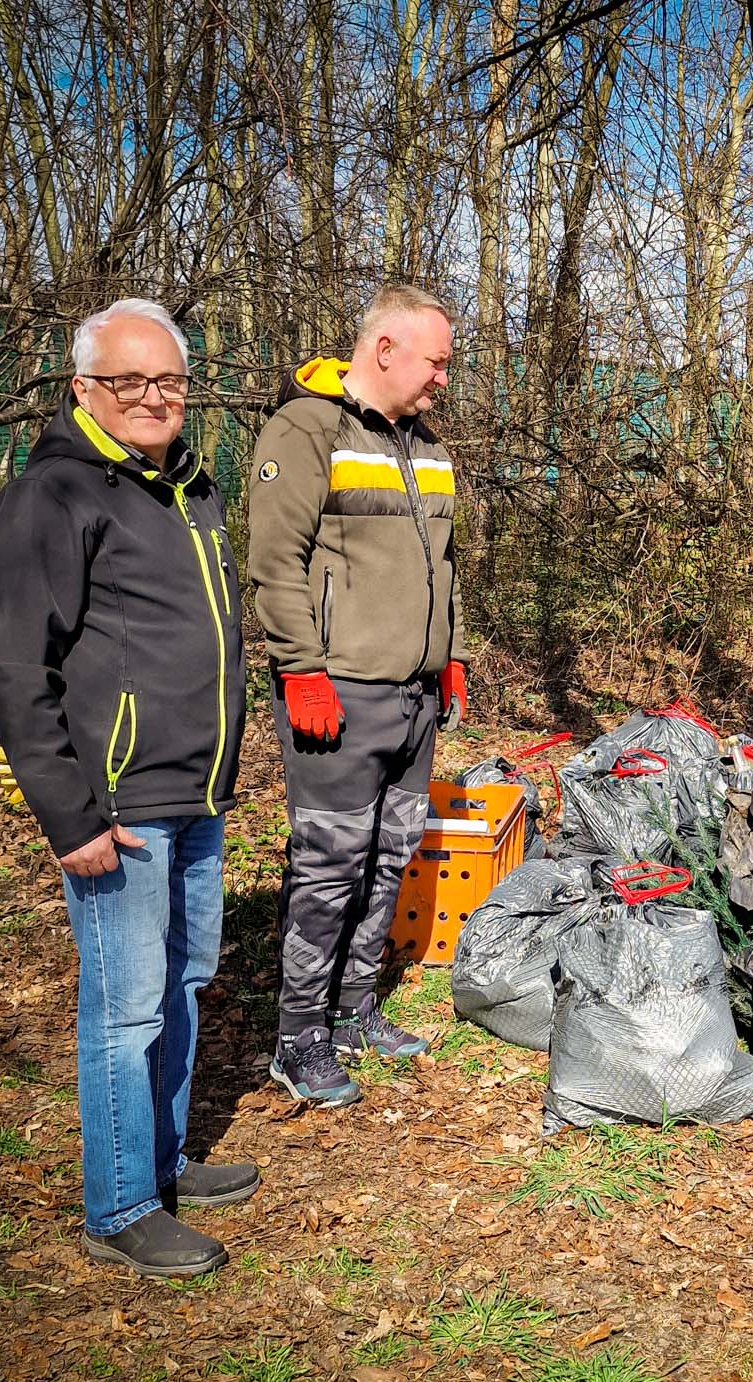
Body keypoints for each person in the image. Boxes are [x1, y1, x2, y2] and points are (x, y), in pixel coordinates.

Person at [0, 298, 255, 1278]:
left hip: (196, 793)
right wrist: (68, 817)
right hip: (118, 810)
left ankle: (164, 1161)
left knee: (181, 985)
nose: (152, 399)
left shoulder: (191, 488)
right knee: (125, 1008)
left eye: (169, 382)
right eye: (130, 382)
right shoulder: (56, 495)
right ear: (84, 388)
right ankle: (121, 1203)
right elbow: (14, 664)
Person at [248, 284, 468, 1106]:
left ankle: (350, 1010)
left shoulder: (429, 446)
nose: (443, 379)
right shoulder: (306, 430)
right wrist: (301, 668)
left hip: (415, 695)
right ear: (384, 351)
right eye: (435, 362)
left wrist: (448, 653)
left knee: (389, 854)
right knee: (330, 864)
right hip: (336, 694)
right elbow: (274, 563)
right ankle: (296, 1037)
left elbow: (441, 565)